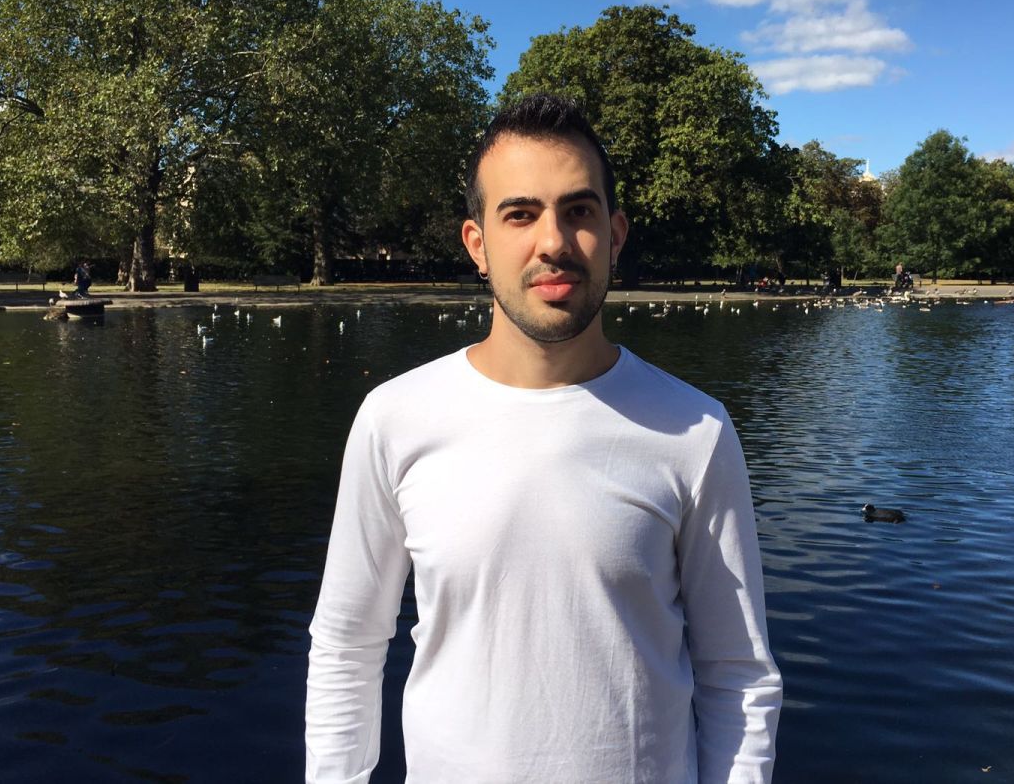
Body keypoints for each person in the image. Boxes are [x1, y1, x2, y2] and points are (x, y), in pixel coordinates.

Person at [306, 95, 782, 783]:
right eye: (520, 214)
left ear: (615, 234)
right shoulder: (395, 419)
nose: (553, 242)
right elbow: (347, 648)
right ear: (478, 244)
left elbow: (737, 675)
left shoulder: (695, 431)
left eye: (578, 211)